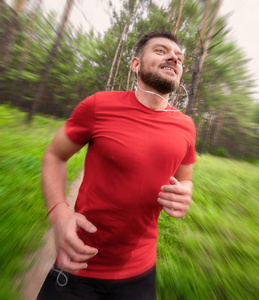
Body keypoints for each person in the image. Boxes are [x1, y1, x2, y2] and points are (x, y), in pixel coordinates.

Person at [37, 30, 196, 300]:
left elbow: (185, 179)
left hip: (140, 273)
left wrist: (184, 194)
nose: (173, 58)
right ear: (135, 64)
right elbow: (54, 155)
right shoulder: (99, 106)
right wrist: (59, 215)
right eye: (161, 50)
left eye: (179, 57)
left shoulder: (186, 126)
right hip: (80, 264)